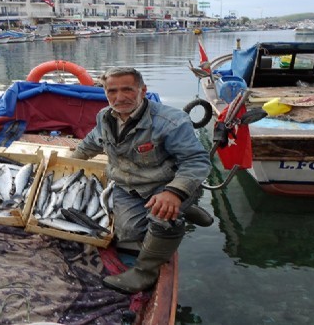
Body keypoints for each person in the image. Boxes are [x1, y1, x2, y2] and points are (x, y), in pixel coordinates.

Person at [70, 67, 213, 294]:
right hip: (128, 187)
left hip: (165, 185)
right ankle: (186, 209)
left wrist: (175, 193)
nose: (119, 97)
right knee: (127, 234)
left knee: (162, 218)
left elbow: (197, 161)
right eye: (112, 91)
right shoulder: (105, 117)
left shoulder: (171, 121)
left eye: (127, 89)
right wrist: (72, 160)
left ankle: (145, 273)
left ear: (142, 90)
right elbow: (91, 142)